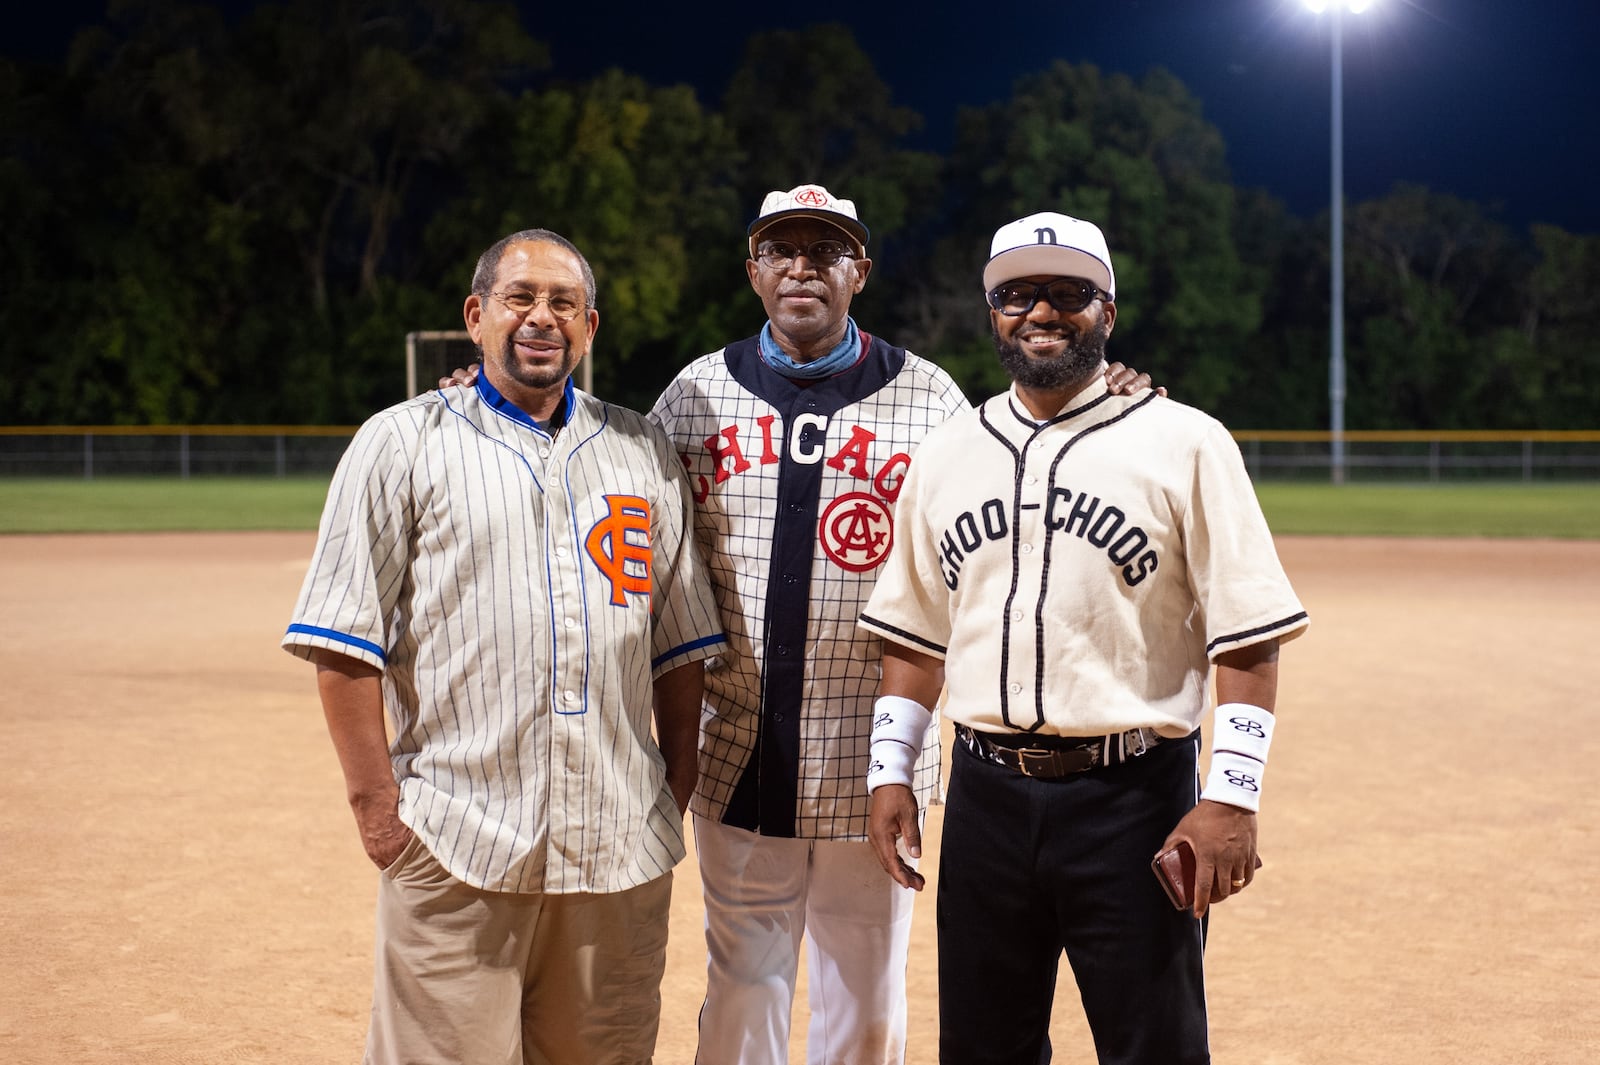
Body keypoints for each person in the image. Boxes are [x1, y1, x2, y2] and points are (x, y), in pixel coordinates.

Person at [438, 188, 1155, 1064]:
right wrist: (480, 393)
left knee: (868, 994)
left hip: (877, 760)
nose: (803, 265)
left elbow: (1013, 476)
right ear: (754, 271)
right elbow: (610, 488)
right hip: (735, 749)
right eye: (782, 249)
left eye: (827, 249)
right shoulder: (694, 393)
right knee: (743, 988)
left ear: (860, 270)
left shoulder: (929, 397)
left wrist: (1107, 386)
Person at [860, 211, 1310, 1065]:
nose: (1042, 312)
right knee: (985, 1048)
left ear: (1108, 307)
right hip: (985, 800)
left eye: (1068, 293)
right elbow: (916, 634)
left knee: (1156, 1047)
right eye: (1018, 294)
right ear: (991, 310)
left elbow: (1248, 635)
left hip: (1136, 799)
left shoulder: (1187, 443)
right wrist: (891, 770)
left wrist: (1234, 794)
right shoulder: (948, 452)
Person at [283, 228, 726, 1065]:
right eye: (521, 297)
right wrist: (380, 814)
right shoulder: (400, 441)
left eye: (564, 303)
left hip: (617, 853)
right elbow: (343, 644)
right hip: (457, 844)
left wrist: (669, 790)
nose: (541, 317)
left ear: (589, 326)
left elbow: (682, 649)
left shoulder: (641, 448)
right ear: (477, 315)